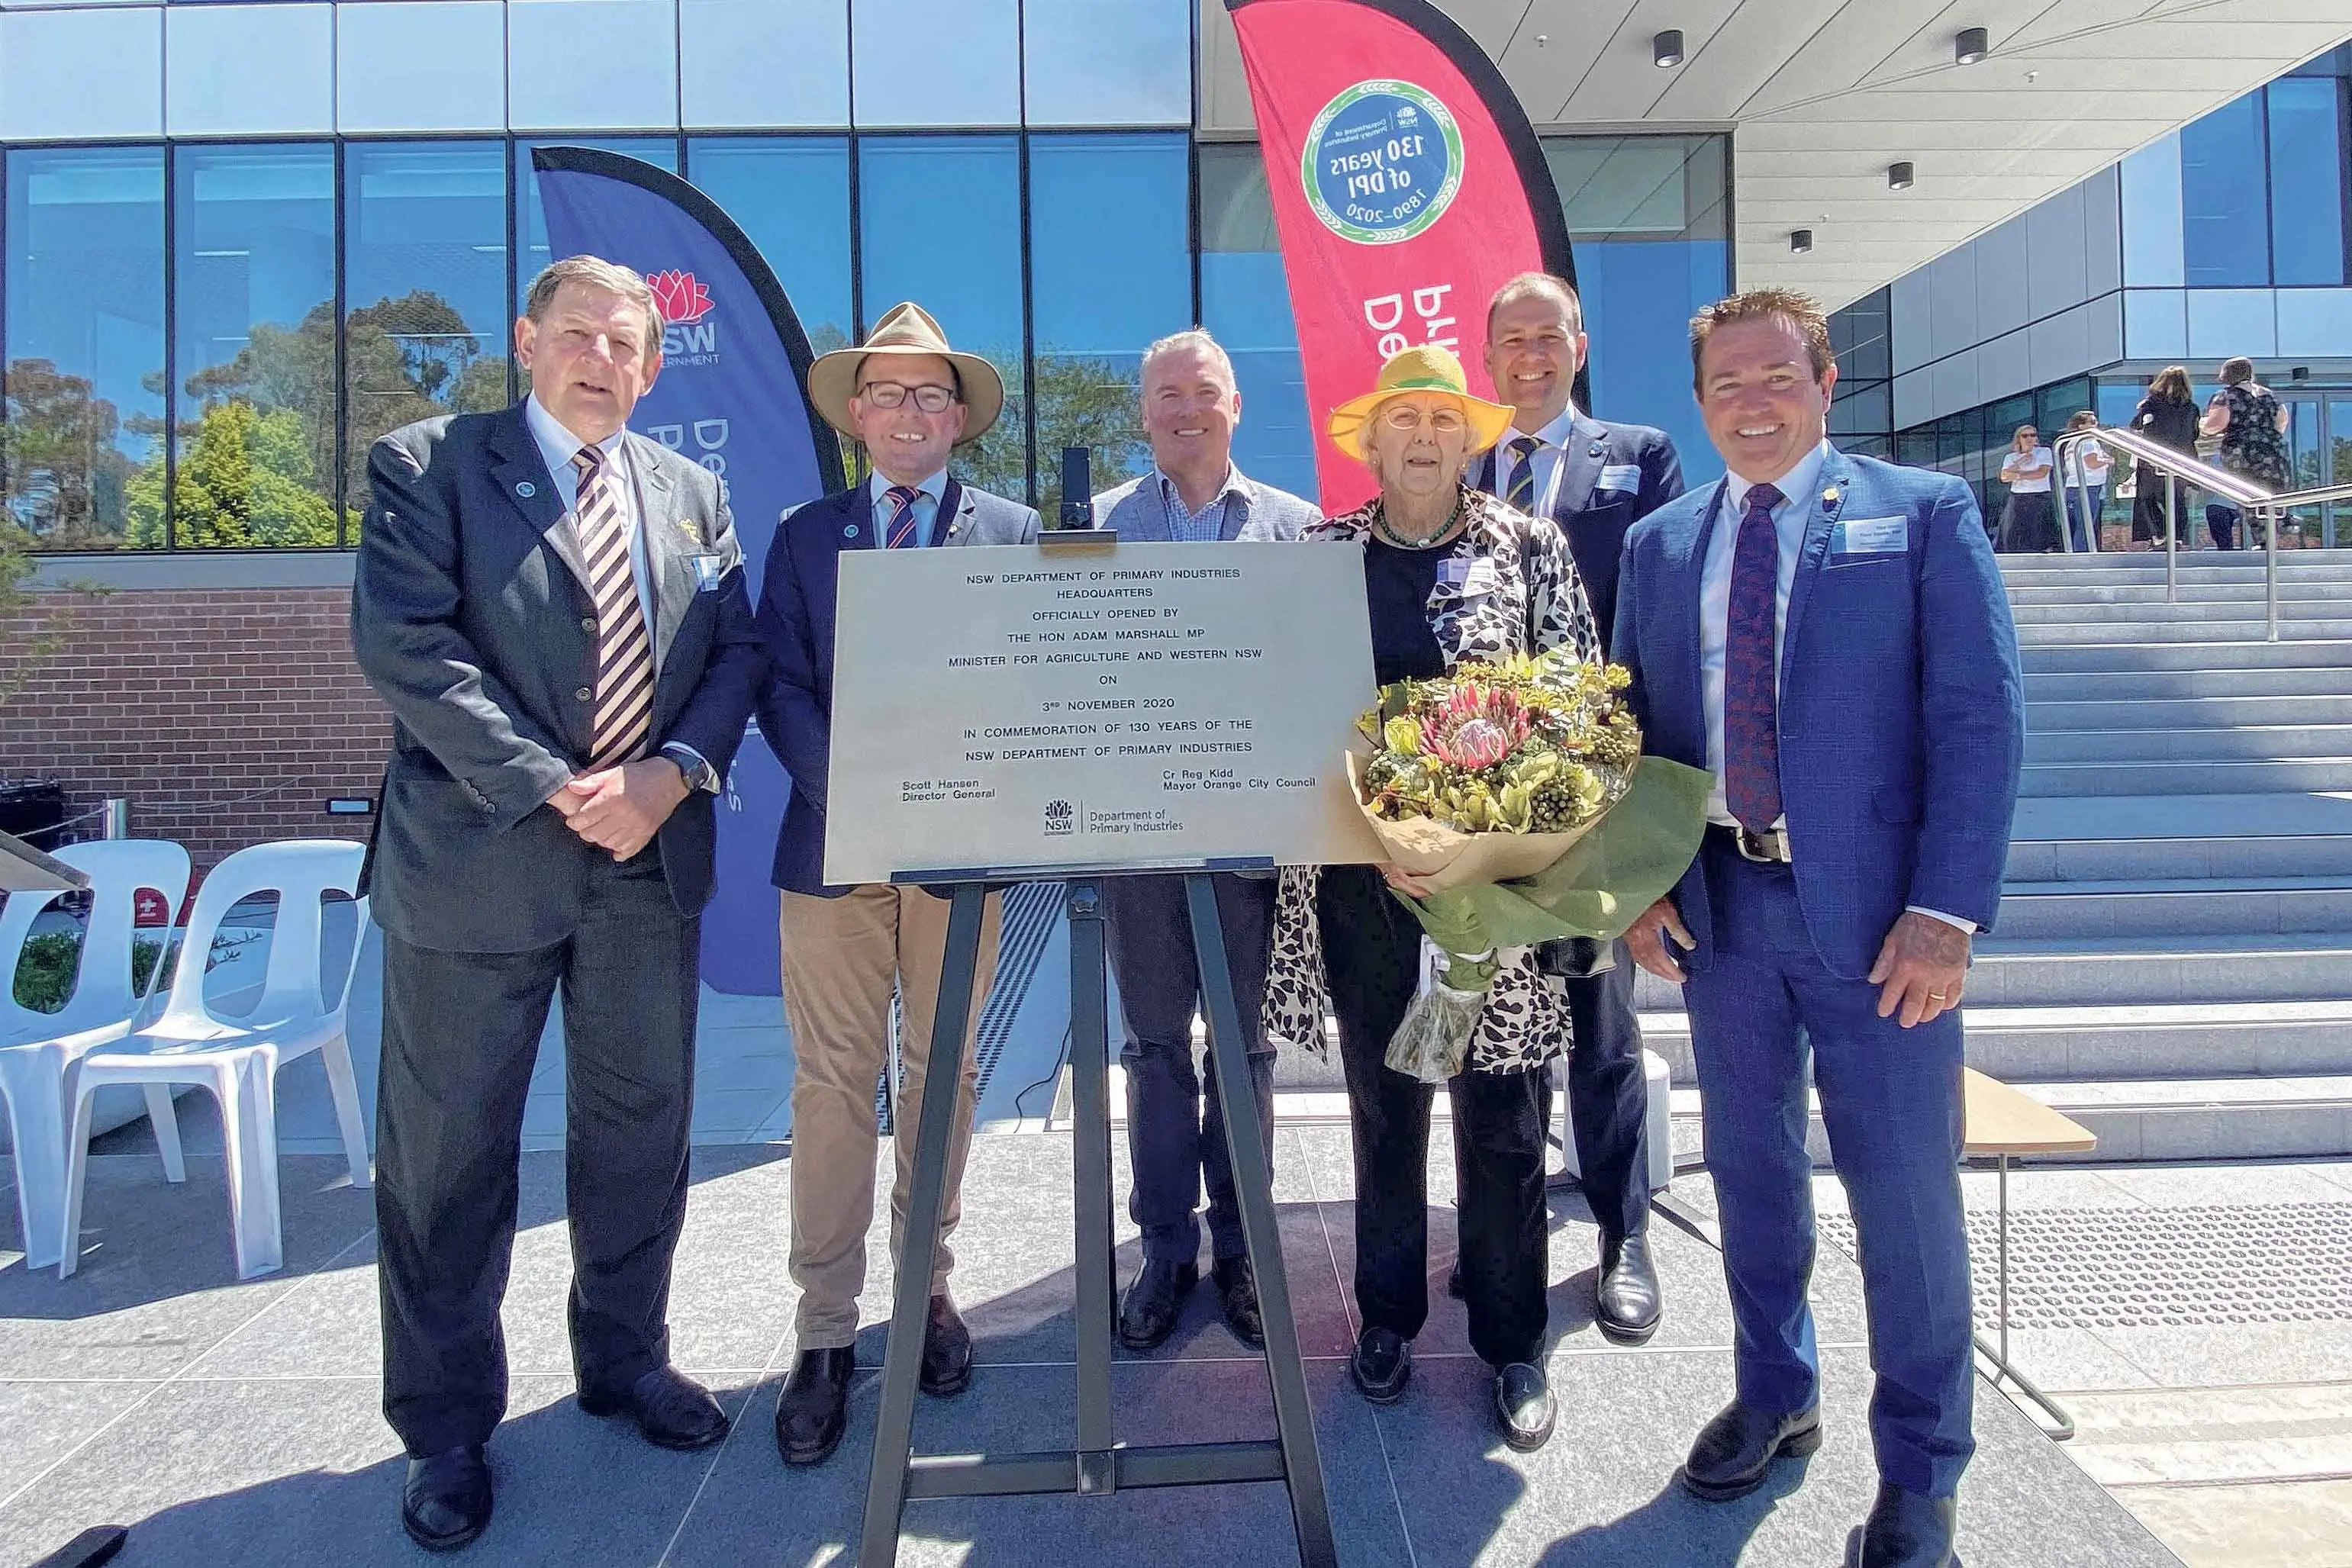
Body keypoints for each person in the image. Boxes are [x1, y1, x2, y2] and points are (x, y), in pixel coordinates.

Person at [352, 256, 765, 1552]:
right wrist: (555, 787)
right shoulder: (429, 465)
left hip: (648, 866)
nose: (603, 357)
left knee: (641, 1132)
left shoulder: (690, 494)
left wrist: (673, 772)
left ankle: (625, 1359)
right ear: (528, 342)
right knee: (448, 1157)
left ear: (652, 365)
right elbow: (410, 648)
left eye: (628, 342)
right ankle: (447, 1427)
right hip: (480, 863)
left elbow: (738, 650)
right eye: (579, 333)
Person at [1613, 288, 2022, 1568]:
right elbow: (1630, 733)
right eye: (1725, 382)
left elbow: (1978, 718)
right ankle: (1774, 1393)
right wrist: (1635, 886)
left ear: (1824, 382)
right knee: (1751, 1178)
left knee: (1902, 1203)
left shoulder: (1922, 517)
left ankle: (1920, 1476)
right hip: (1722, 916)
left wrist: (1945, 915)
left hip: (1881, 929)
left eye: (1774, 375)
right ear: (1698, 400)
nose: (1751, 399)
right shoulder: (1660, 543)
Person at [1261, 344, 1603, 1453]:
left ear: (1471, 438)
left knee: (1502, 1114)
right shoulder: (1321, 558)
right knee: (1383, 1102)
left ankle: (1513, 1339)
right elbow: (1292, 719)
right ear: (1370, 441)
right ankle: (1389, 1315)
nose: (1420, 437)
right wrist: (1376, 833)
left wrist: (1491, 839)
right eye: (1400, 419)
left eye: (1440, 420)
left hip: (1493, 884)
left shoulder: (1529, 547)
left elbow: (1575, 709)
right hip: (1364, 879)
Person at [756, 302, 1042, 1467]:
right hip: (834, 848)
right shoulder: (802, 534)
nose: (913, 411)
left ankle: (924, 1285)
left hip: (960, 855)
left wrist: (949, 804)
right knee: (831, 1081)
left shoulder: (1014, 531)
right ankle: (825, 1328)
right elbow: (777, 681)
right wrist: (860, 793)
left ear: (958, 418)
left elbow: (1035, 678)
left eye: (934, 394)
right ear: (858, 413)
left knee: (941, 1071)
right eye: (892, 393)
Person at [1090, 329, 1322, 1353]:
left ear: (1236, 406)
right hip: (1134, 841)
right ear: (1142, 412)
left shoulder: (1302, 531)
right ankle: (1163, 1251)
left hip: (1250, 843)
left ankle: (1241, 1250)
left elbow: (1319, 685)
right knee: (1149, 1049)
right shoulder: (1091, 531)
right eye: (1165, 394)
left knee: (1244, 1049)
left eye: (1204, 393)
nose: (1185, 409)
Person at [1471, 271, 1680, 1344]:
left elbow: (1657, 619)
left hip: (1597, 791)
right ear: (1489, 351)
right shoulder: (1456, 468)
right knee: (1503, 1024)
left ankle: (1622, 1233)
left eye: (1547, 337)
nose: (1530, 356)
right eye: (1511, 339)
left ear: (1578, 344)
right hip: (1485, 801)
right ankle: (1507, 1232)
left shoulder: (1638, 460)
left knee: (1600, 1026)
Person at [2199, 356, 2292, 552]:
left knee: (2248, 495)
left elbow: (2216, 425)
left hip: (2242, 454)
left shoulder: (2225, 396)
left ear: (2228, 375)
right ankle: (2269, 537)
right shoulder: (2270, 395)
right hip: (2274, 452)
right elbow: (2282, 420)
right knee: (2270, 494)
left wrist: (2202, 427)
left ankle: (2264, 539)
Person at [2128, 366, 2199, 549]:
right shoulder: (2191, 408)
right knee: (2177, 500)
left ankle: (2159, 534)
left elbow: (2135, 425)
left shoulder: (2152, 404)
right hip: (2182, 461)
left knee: (2148, 498)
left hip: (2153, 459)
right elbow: (2194, 434)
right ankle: (2177, 536)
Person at [1996, 425, 2057, 552]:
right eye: (2025, 436)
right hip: (2018, 496)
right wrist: (2020, 462)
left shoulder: (2044, 452)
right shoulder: (2011, 457)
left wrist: (2018, 475)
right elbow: (2004, 477)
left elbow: (2042, 473)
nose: (2029, 438)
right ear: (2019, 439)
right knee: (2011, 530)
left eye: (2033, 435)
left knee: (2037, 531)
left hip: (2039, 496)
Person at [2058, 410, 2109, 552]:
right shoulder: (2088, 441)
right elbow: (2092, 463)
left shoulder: (2071, 442)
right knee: (2086, 524)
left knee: (2080, 524)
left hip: (2075, 487)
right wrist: (2108, 461)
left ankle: (2078, 552)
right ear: (2081, 426)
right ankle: (2083, 554)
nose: (2096, 424)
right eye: (2092, 422)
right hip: (2088, 487)